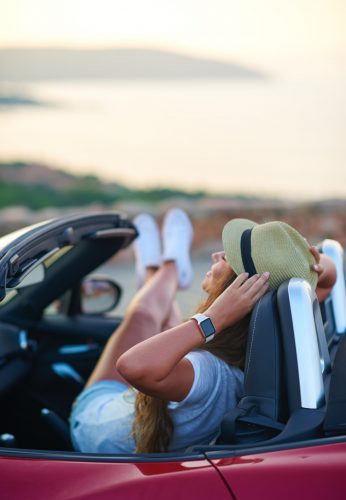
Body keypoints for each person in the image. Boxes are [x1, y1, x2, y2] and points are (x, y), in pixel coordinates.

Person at [69, 210, 336, 454]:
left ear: (239, 287)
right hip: (137, 421)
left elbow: (131, 365)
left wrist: (213, 318)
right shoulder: (274, 340)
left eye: (226, 256)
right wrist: (306, 261)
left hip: (92, 427)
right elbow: (330, 279)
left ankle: (167, 271)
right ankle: (156, 272)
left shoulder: (206, 372)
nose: (214, 255)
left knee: (143, 316)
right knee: (168, 327)